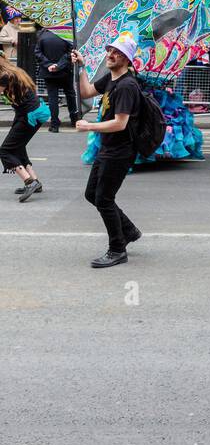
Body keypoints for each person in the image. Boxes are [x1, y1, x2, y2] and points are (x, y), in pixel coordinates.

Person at [72, 32, 141, 268]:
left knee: (103, 198)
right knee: (92, 194)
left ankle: (117, 249)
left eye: (118, 53)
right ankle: (129, 230)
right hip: (107, 148)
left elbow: (120, 123)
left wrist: (89, 126)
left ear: (127, 58)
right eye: (110, 50)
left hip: (120, 151)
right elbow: (86, 92)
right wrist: (81, 67)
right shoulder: (110, 79)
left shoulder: (126, 86)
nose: (111, 55)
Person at [0, 57, 48, 202]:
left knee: (5, 150)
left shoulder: (4, 77)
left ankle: (29, 182)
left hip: (29, 114)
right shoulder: (15, 71)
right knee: (18, 147)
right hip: (34, 111)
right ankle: (35, 181)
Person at [35, 25, 79, 132]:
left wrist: (49, 65)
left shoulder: (42, 35)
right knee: (70, 94)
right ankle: (74, 120)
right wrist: (58, 65)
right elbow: (70, 52)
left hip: (49, 71)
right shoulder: (66, 34)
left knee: (52, 97)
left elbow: (37, 53)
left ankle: (54, 125)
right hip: (65, 71)